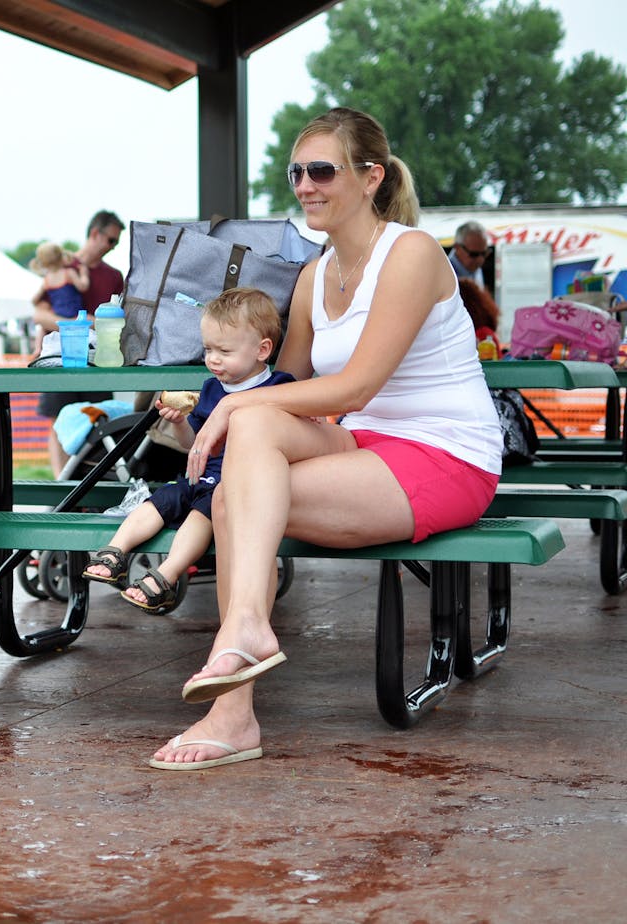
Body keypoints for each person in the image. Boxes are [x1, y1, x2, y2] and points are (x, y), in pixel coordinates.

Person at [149, 107, 501, 772]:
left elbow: (354, 387)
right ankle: (245, 642)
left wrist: (236, 413)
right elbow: (291, 385)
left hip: (445, 454)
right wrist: (209, 412)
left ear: (371, 178)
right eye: (296, 173)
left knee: (231, 493)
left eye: (321, 170)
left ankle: (233, 708)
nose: (305, 185)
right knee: (247, 441)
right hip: (361, 448)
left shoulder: (413, 253)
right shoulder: (315, 275)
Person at [82, 287, 295, 613]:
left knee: (201, 514)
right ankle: (115, 553)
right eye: (208, 348)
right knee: (159, 501)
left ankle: (166, 575)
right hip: (199, 476)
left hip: (235, 486)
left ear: (262, 350)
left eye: (224, 350)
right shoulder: (210, 388)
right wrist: (180, 423)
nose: (212, 359)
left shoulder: (279, 387)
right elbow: (192, 444)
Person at [32, 210, 126, 473]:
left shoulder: (114, 276)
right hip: (59, 357)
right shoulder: (60, 267)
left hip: (98, 358)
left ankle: (88, 491)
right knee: (58, 425)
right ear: (95, 233)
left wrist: (64, 321)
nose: (112, 247)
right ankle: (61, 492)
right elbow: (38, 313)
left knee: (99, 421)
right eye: (110, 240)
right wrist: (85, 321)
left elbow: (119, 318)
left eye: (116, 243)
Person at [28, 241, 90, 348]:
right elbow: (83, 287)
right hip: (73, 314)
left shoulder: (47, 279)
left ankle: (38, 349)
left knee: (43, 328)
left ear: (43, 263)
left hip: (57, 316)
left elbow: (34, 300)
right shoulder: (69, 273)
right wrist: (84, 274)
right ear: (62, 257)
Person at [448, 220, 490, 288]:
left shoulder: (476, 269)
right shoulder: (444, 275)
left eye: (484, 253)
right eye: (473, 254)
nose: (480, 260)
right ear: (457, 247)